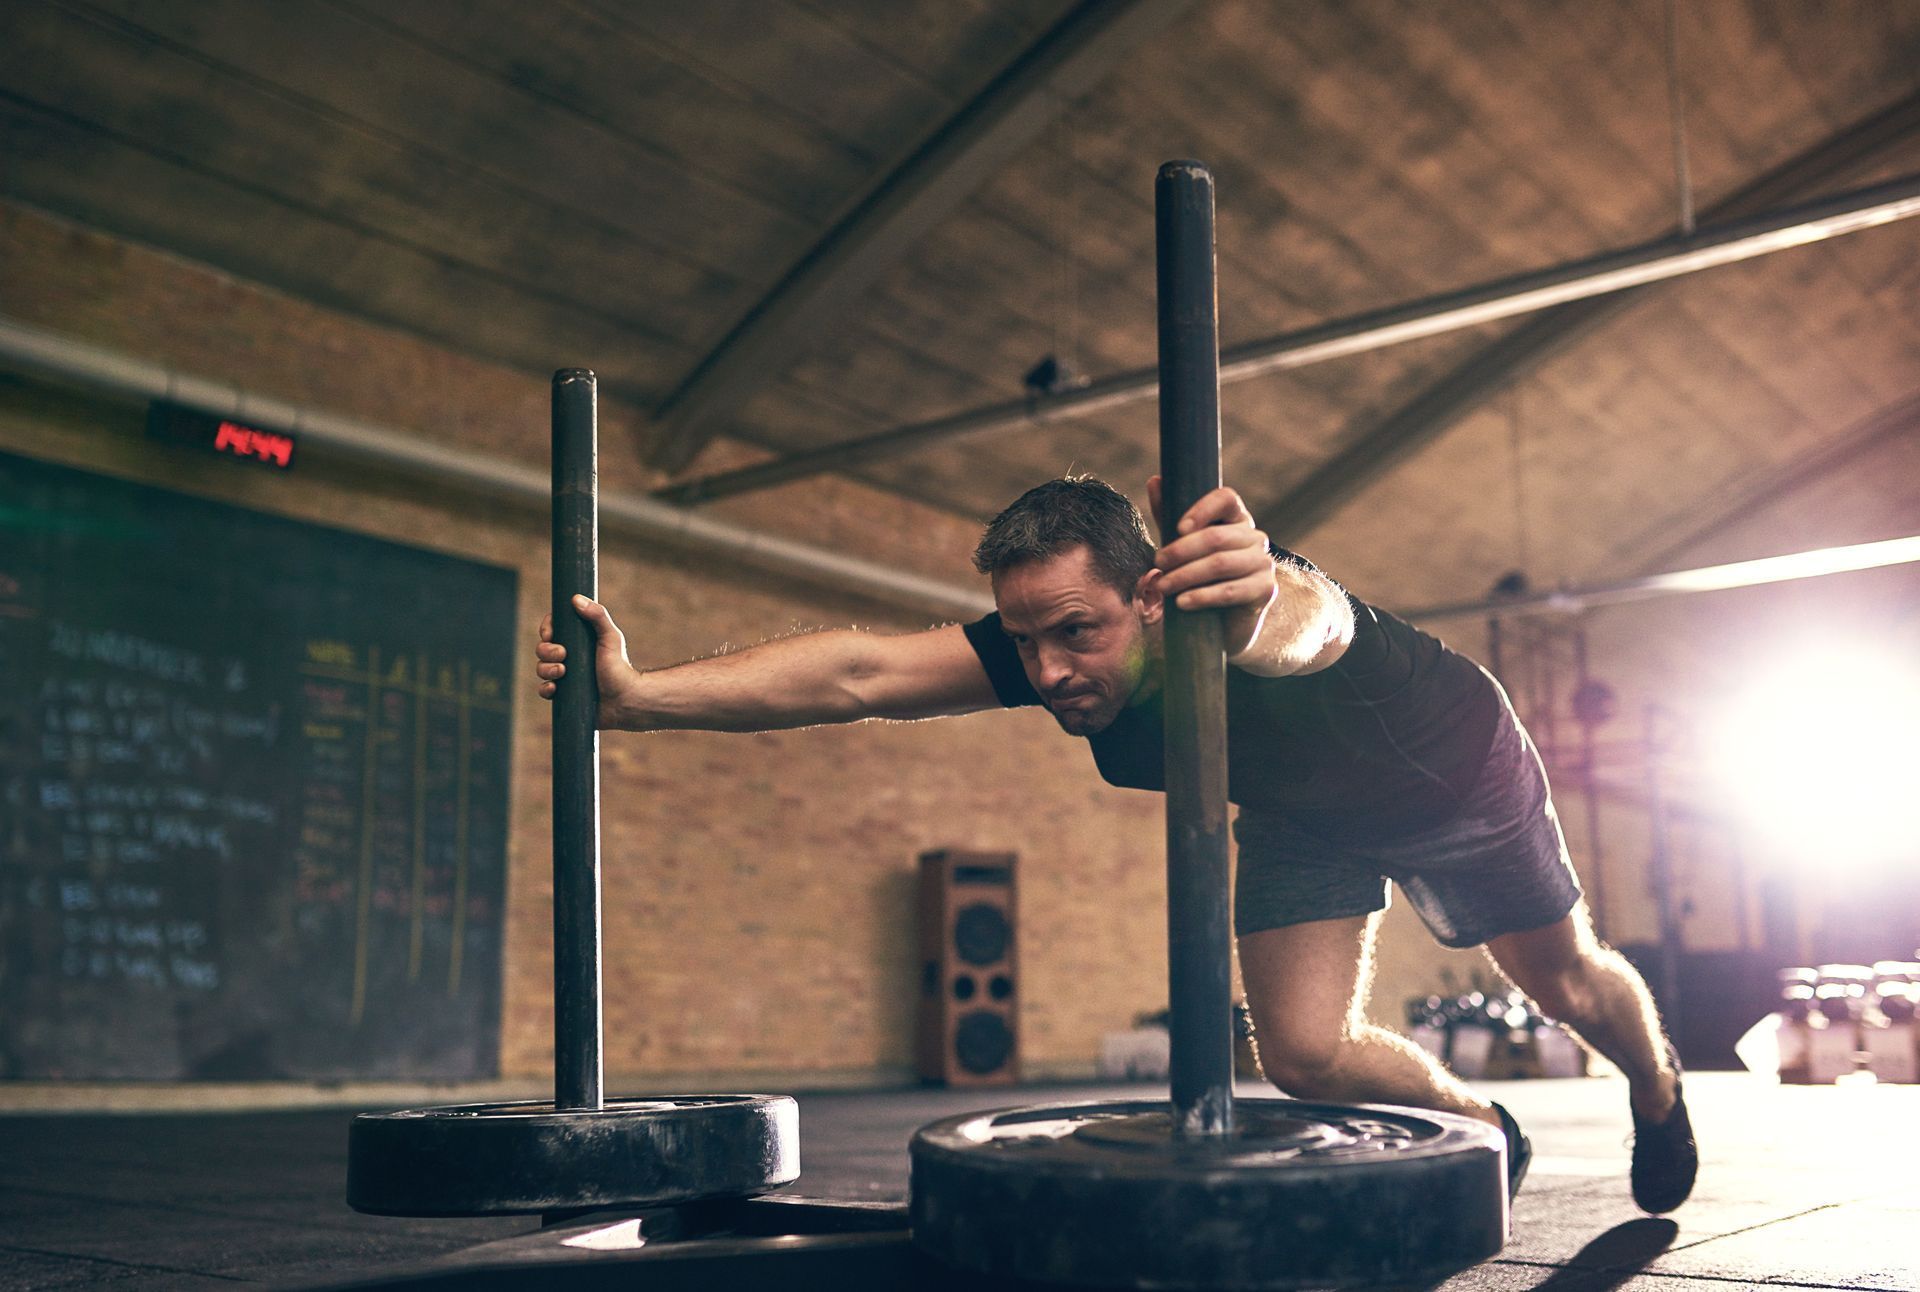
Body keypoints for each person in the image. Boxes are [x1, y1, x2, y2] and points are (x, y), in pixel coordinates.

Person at [532, 474, 1697, 1212]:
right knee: (1301, 1050)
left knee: (1563, 982)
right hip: (1306, 812)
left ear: (1150, 594)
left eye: (1075, 630)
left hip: (1453, 765)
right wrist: (641, 697)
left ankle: (1657, 1083)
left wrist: (1251, 605)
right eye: (1027, 638)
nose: (1047, 672)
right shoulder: (1050, 646)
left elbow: (1309, 617)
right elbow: (861, 668)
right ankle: (1492, 1129)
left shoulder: (1238, 603)